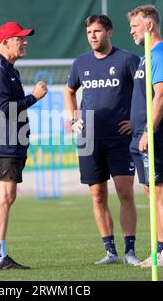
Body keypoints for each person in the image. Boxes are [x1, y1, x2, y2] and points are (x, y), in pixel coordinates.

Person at [64, 15, 141, 266]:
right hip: (88, 138)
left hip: (120, 138)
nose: (93, 36)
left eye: (97, 31)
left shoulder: (128, 59)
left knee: (125, 192)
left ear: (109, 32)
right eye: (89, 32)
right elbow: (69, 90)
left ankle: (130, 250)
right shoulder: (80, 63)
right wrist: (73, 118)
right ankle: (110, 251)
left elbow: (146, 91)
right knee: (97, 194)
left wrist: (135, 121)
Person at [0, 21, 48, 270]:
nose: (25, 42)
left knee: (4, 197)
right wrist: (34, 97)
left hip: (11, 142)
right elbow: (2, 109)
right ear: (5, 42)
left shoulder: (9, 69)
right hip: (3, 142)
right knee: (3, 198)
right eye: (20, 38)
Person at [127, 5, 163, 267]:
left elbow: (162, 94)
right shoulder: (145, 56)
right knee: (150, 192)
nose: (131, 31)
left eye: (135, 26)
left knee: (160, 191)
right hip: (139, 135)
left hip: (155, 136)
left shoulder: (160, 53)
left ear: (149, 25)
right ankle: (160, 250)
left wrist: (149, 130)